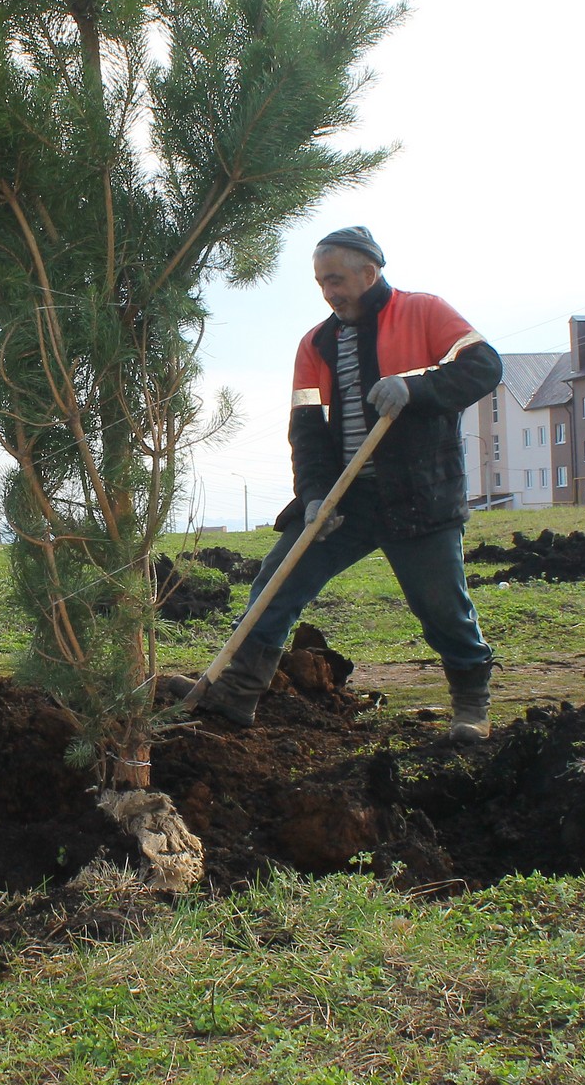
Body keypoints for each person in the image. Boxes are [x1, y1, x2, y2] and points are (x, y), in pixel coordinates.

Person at [181, 226, 503, 740]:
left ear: (369, 273)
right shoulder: (316, 343)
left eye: (335, 279)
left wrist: (415, 388)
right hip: (345, 499)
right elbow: (306, 432)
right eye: (320, 282)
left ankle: (471, 706)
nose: (329, 291)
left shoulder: (424, 311)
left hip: (419, 495)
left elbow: (485, 368)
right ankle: (235, 694)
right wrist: (313, 498)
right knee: (277, 582)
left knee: (443, 606)